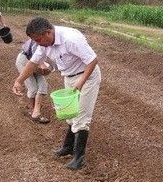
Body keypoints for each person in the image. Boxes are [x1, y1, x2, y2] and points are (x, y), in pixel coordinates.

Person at [13, 17, 101, 171]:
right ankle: (67, 147)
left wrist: (81, 82)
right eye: (35, 40)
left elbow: (92, 60)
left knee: (81, 117)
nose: (38, 43)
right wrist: (19, 81)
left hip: (87, 76)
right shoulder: (43, 43)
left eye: (39, 39)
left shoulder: (70, 40)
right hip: (69, 76)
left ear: (48, 32)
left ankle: (78, 159)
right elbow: (33, 62)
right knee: (70, 114)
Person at [15, 39, 52, 124]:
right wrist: (43, 66)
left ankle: (36, 110)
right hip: (24, 62)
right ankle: (33, 112)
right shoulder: (38, 40)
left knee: (43, 85)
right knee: (33, 88)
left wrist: (45, 67)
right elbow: (33, 58)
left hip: (36, 62)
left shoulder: (50, 40)